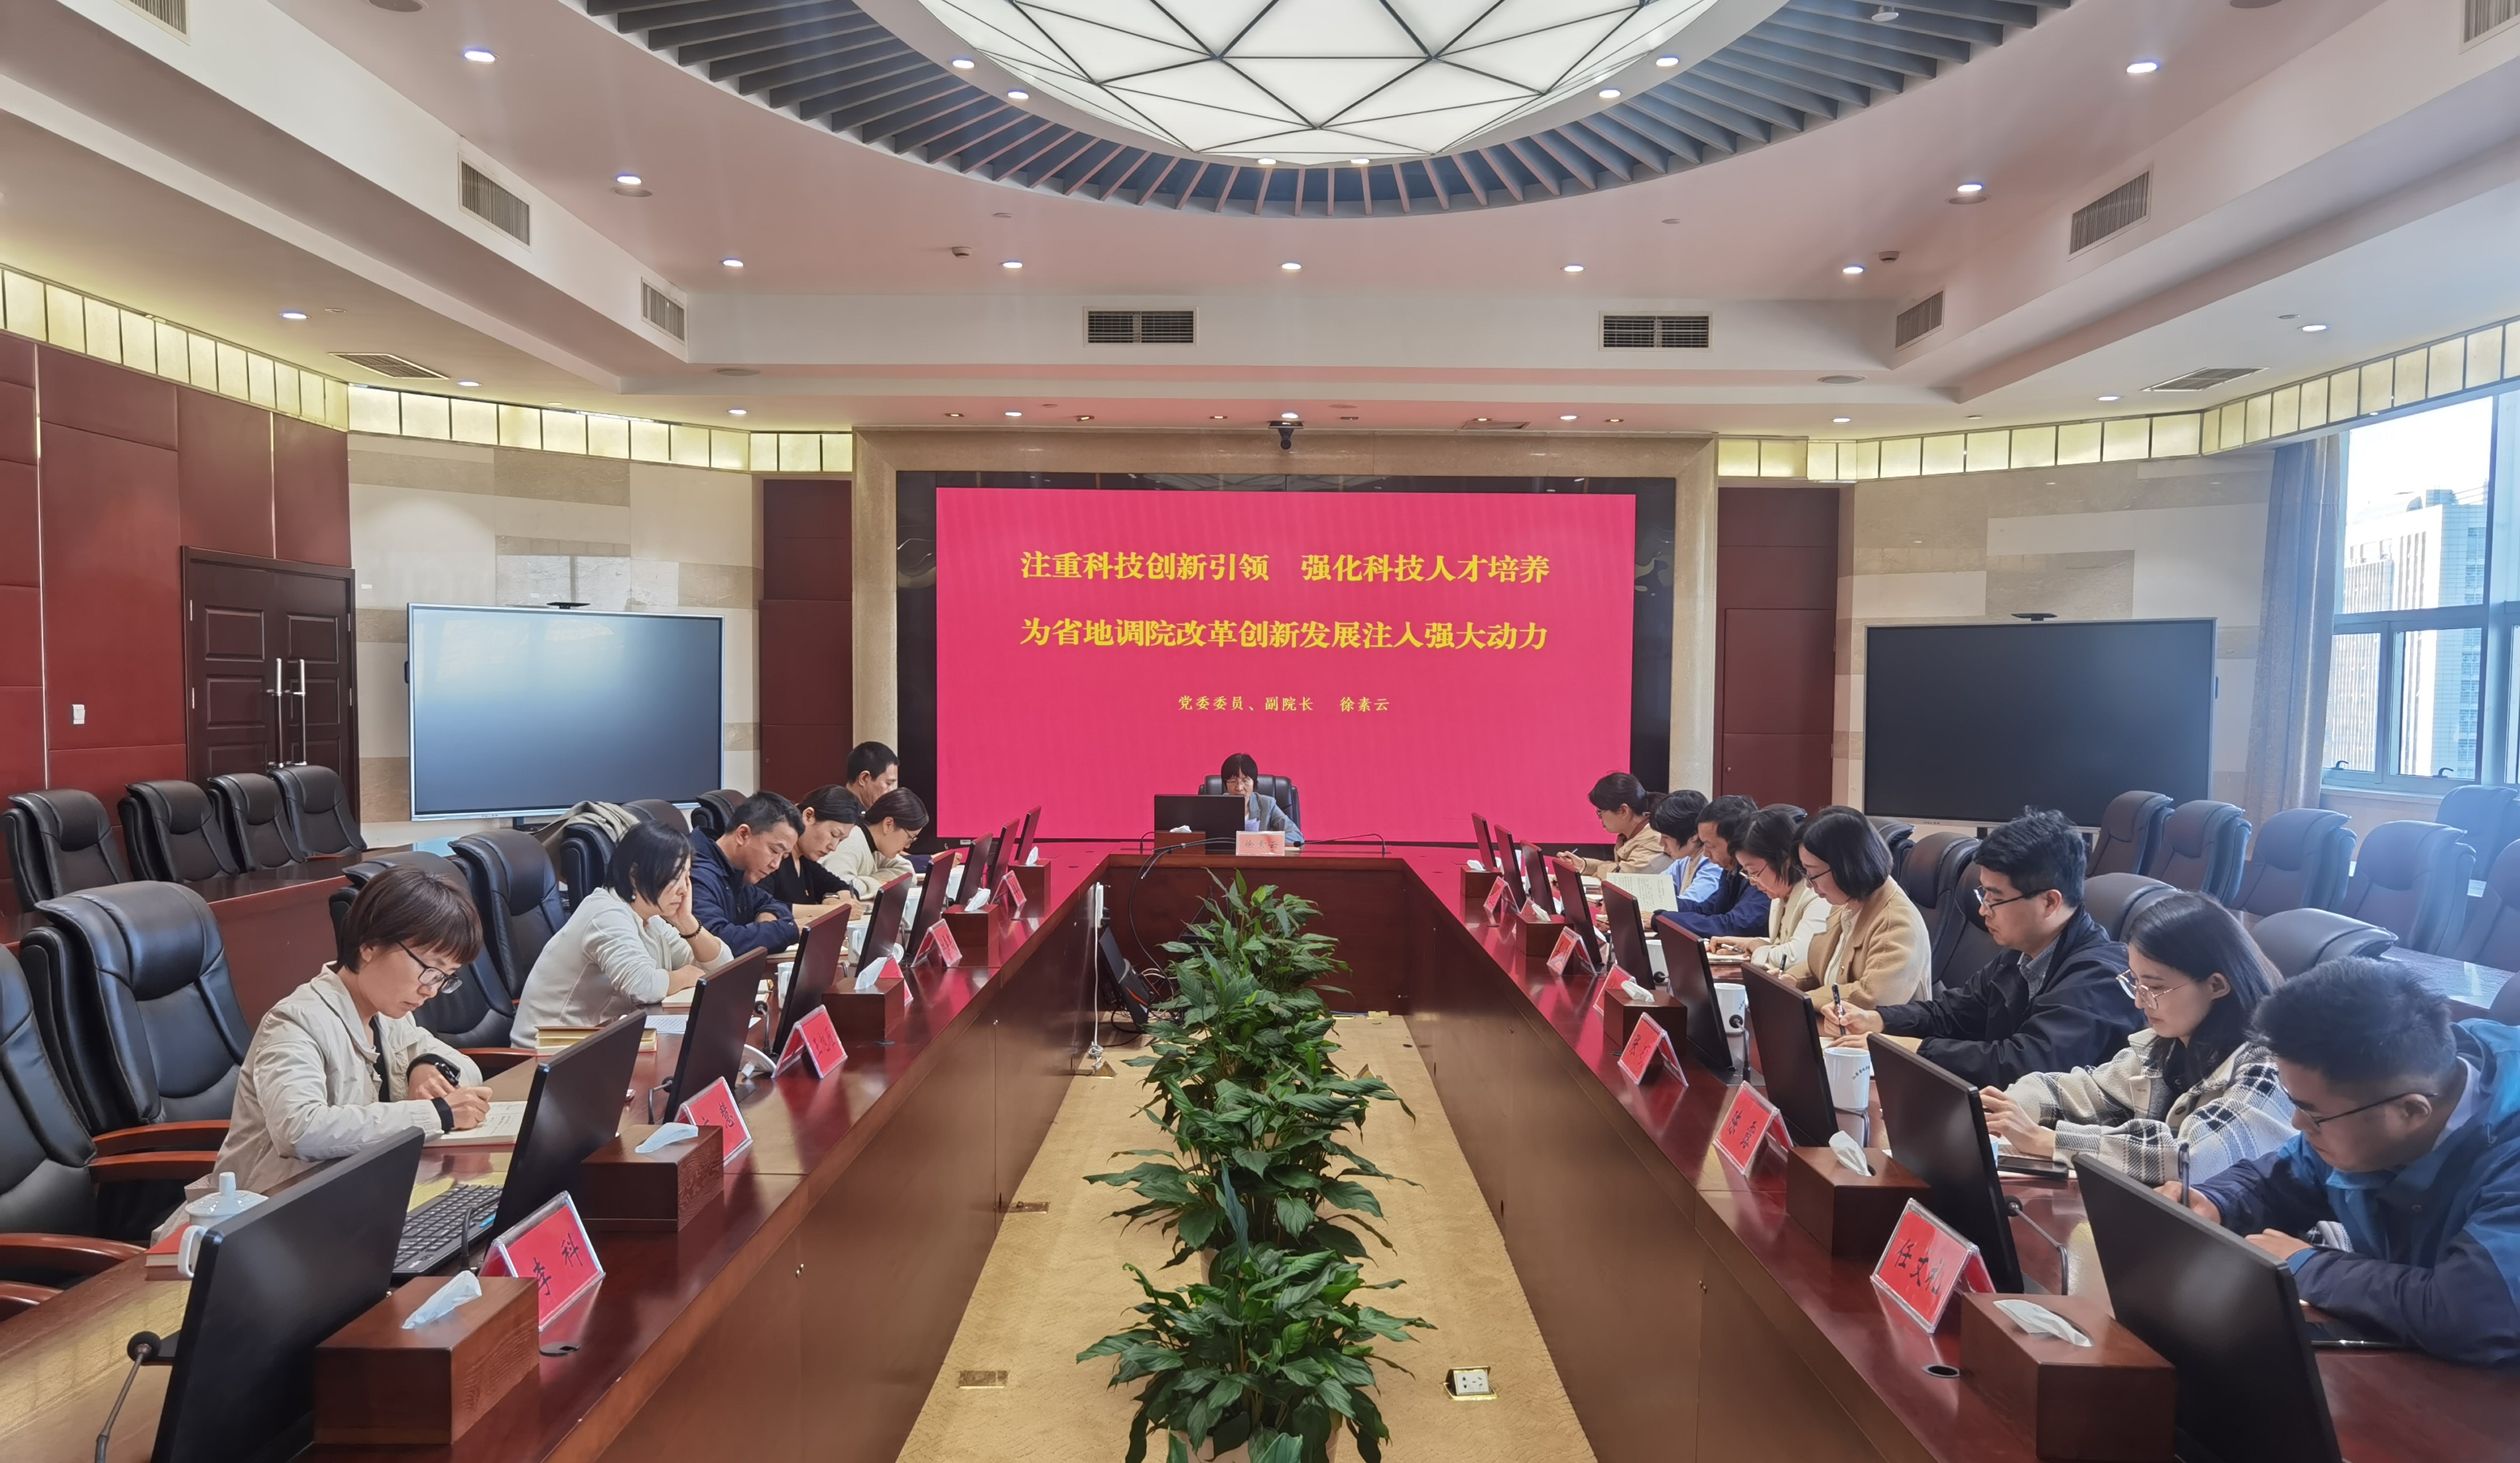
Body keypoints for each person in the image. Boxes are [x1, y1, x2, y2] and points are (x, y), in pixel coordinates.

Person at [2174, 959, 2520, 1366]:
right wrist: (2213, 1202)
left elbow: (2472, 1314)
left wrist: (2305, 1265)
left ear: (2411, 1111)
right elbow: (2281, 1179)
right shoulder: (2382, 1090)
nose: (2297, 1124)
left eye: (2314, 1115)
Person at [190, 864, 493, 1203]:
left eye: (445, 977)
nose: (432, 990)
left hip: (354, 1198)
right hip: (268, 1210)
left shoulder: (389, 1014)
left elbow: (467, 1069)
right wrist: (438, 1114)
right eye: (429, 969)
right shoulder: (296, 1021)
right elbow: (301, 1130)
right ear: (370, 946)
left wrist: (426, 1064)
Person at [1980, 892, 2291, 1186]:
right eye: (2135, 982)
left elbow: (2189, 1159)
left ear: (2217, 986)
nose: (2140, 1002)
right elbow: (2081, 1091)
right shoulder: (2169, 1043)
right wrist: (2004, 1111)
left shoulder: (2272, 1069)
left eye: (2155, 988)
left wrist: (2045, 1140)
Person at [1822, 808, 2138, 1086]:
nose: (1984, 910)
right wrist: (1879, 1020)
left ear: (2049, 902)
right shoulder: (2022, 953)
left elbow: (2023, 1063)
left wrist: (1910, 1048)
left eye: (1995, 898)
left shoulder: (2099, 978)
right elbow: (1952, 1012)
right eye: (1983, 894)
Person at [512, 821, 733, 1045]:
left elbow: (723, 966)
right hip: (546, 1050)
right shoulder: (605, 914)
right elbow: (643, 987)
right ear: (635, 875)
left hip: (596, 1041)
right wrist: (686, 976)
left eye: (687, 876)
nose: (684, 889)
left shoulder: (652, 919)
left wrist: (687, 923)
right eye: (675, 877)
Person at [1790, 808, 1928, 1010]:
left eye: (1813, 874)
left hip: (1877, 1030)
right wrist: (1791, 981)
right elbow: (1822, 965)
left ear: (1847, 866)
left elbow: (1871, 997)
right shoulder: (1846, 903)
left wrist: (1802, 999)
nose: (1809, 885)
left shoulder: (1896, 922)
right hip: (1835, 1025)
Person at [1707, 805, 1829, 979]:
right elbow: (1781, 944)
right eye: (1747, 873)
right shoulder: (1779, 891)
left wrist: (1757, 950)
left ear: (1785, 860)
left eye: (1754, 872)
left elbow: (1796, 958)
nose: (1752, 881)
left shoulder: (1818, 893)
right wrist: (1746, 944)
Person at [689, 791, 801, 957]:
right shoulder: (694, 872)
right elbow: (718, 943)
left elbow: (772, 903)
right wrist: (788, 929)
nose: (776, 865)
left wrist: (769, 914)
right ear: (743, 834)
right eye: (774, 851)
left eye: (783, 857)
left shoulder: (736, 870)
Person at [1659, 794, 1771, 939]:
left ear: (1736, 841)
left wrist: (1665, 919)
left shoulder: (1762, 872)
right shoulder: (1732, 869)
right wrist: (1659, 913)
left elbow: (1736, 925)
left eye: (1710, 846)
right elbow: (1706, 909)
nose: (1706, 854)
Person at [764, 784, 859, 909]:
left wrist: (835, 899)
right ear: (809, 816)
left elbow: (842, 888)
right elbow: (762, 907)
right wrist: (827, 910)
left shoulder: (805, 860)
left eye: (841, 840)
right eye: (834, 834)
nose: (833, 847)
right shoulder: (774, 856)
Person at [824, 788, 930, 898]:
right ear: (888, 824)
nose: (908, 845)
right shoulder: (850, 841)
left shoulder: (878, 846)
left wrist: (872, 881)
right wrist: (878, 885)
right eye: (909, 838)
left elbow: (908, 873)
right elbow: (840, 889)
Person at [1560, 773, 1657, 876]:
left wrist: (1596, 869)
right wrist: (1583, 865)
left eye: (1600, 811)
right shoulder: (1627, 836)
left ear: (1623, 811)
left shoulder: (1654, 839)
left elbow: (1622, 875)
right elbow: (1618, 867)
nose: (1599, 817)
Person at [1651, 791, 1723, 904]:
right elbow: (1656, 886)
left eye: (1666, 837)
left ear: (1694, 835)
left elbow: (1691, 904)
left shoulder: (1713, 864)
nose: (1661, 843)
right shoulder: (1684, 860)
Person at [1219, 753, 1302, 844]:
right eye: (1233, 781)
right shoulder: (1217, 806)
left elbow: (1296, 836)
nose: (1239, 788)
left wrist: (1262, 842)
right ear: (1225, 784)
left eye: (1245, 781)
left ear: (1254, 782)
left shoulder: (1267, 805)